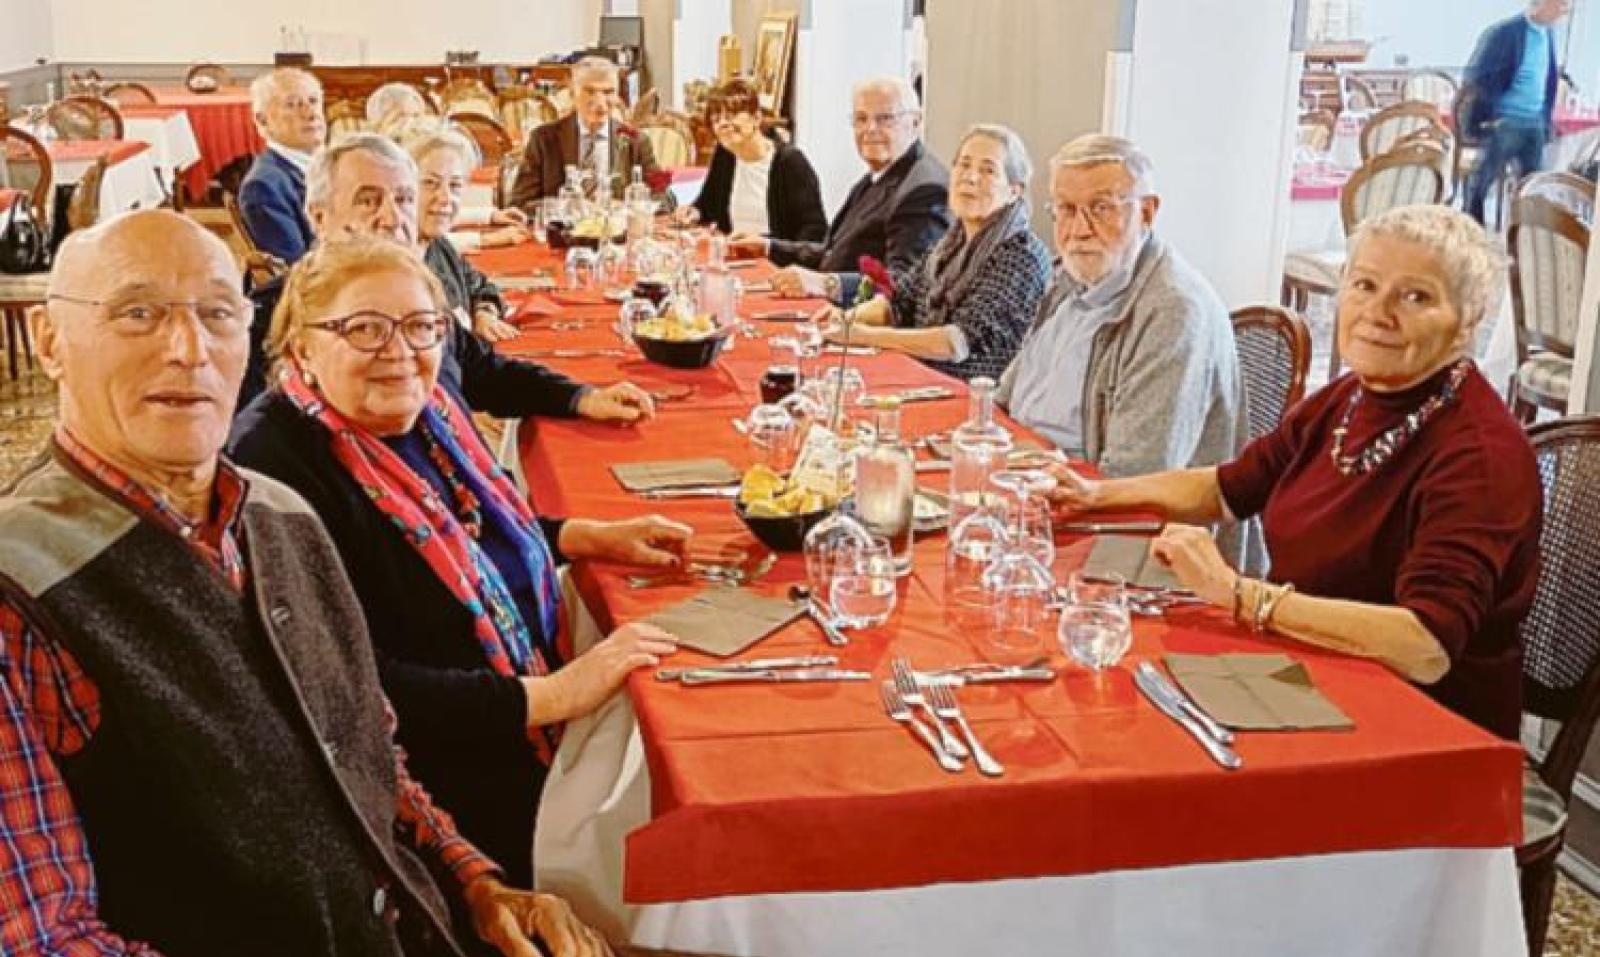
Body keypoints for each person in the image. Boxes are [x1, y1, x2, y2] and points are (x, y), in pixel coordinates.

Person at [0, 209, 612, 957]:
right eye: (138, 314)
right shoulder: (21, 586)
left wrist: (477, 883)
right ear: (50, 341)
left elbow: (366, 746)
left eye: (218, 314)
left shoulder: (280, 513)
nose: (189, 349)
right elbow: (43, 938)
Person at [230, 237, 685, 888]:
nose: (401, 352)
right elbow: (341, 685)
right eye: (364, 328)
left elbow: (465, 538)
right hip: (434, 781)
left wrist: (586, 535)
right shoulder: (275, 466)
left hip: (511, 705)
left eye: (422, 327)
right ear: (302, 346)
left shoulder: (426, 412)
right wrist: (554, 695)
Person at [1051, 205, 1542, 741]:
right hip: (1306, 677)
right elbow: (1229, 486)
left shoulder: (1479, 457)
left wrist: (1238, 595)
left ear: (1468, 321)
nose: (1378, 312)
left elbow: (1424, 647)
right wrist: (1094, 496)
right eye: (1365, 285)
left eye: (1416, 296)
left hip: (1420, 731)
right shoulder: (1350, 397)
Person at [239, 133, 653, 428]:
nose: (391, 217)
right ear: (318, 217)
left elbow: (484, 372)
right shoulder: (273, 317)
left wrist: (580, 397)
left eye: (402, 199)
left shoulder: (411, 295)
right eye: (368, 201)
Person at [996, 134, 1243, 477]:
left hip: (1120, 511)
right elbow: (1003, 400)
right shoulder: (1069, 279)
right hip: (1029, 470)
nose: (1079, 230)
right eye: (1066, 210)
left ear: (1147, 212)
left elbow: (1136, 475)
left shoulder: (1174, 312)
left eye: (1101, 208)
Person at [814, 124, 1050, 381]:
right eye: (964, 165)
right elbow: (899, 301)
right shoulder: (950, 241)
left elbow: (956, 343)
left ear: (1014, 191)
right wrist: (846, 320)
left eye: (988, 170)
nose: (970, 177)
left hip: (973, 397)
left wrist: (862, 336)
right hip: (923, 377)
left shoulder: (1021, 255)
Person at [736, 77, 950, 305]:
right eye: (861, 119)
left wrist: (825, 284)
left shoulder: (923, 189)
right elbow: (833, 252)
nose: (870, 129)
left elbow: (902, 286)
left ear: (916, 122)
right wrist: (768, 246)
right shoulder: (883, 171)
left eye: (885, 118)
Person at [1461, 0, 1572, 224]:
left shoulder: (1548, 35)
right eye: (1560, 4)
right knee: (1481, 183)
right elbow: (1476, 75)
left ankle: (1522, 238)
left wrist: (1545, 119)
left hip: (1534, 123)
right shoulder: (1505, 33)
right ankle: (1473, 230)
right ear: (1542, 3)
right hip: (1505, 121)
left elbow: (1547, 80)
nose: (1564, 11)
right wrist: (1489, 114)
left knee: (1532, 188)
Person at [408, 128, 522, 343]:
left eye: (455, 185)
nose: (445, 198)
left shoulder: (437, 246)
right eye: (430, 183)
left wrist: (483, 313)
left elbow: (479, 285)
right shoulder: (393, 264)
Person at [679, 78, 826, 244]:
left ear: (756, 118)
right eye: (716, 119)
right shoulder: (725, 155)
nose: (723, 124)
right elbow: (707, 204)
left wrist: (769, 247)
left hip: (775, 263)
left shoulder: (789, 162)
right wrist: (694, 212)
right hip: (733, 258)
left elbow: (814, 231)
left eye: (732, 115)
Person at [507, 57, 667, 209]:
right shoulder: (544, 139)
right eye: (590, 91)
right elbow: (520, 204)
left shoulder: (636, 141)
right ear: (572, 94)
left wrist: (627, 206)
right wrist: (569, 207)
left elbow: (665, 198)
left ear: (618, 97)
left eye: (608, 92)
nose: (599, 102)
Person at [237, 67, 325, 264]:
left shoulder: (333, 163)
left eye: (313, 101)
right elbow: (296, 272)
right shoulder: (264, 187)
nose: (311, 114)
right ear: (263, 120)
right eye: (293, 105)